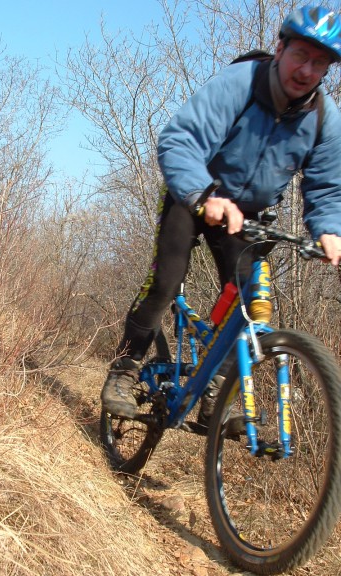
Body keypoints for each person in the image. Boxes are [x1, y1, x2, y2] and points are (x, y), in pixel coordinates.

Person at [101, 5, 341, 428]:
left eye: (319, 63)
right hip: (193, 195)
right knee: (165, 282)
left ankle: (217, 392)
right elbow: (181, 140)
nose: (306, 70)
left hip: (246, 215)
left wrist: (328, 230)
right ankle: (125, 367)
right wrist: (204, 194)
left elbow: (327, 186)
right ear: (280, 49)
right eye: (301, 55)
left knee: (250, 303)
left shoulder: (324, 118)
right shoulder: (240, 83)